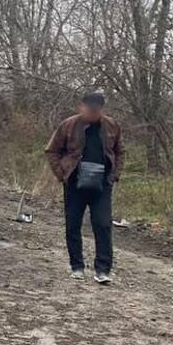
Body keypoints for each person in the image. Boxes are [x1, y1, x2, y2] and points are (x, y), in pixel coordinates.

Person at [45, 91, 124, 285]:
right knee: (73, 224)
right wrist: (61, 174)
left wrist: (114, 175)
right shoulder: (68, 125)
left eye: (96, 111)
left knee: (103, 224)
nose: (92, 114)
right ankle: (77, 267)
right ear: (81, 107)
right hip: (74, 182)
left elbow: (119, 151)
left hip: (102, 184)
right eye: (89, 110)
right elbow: (52, 150)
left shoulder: (112, 126)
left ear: (102, 110)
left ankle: (103, 270)